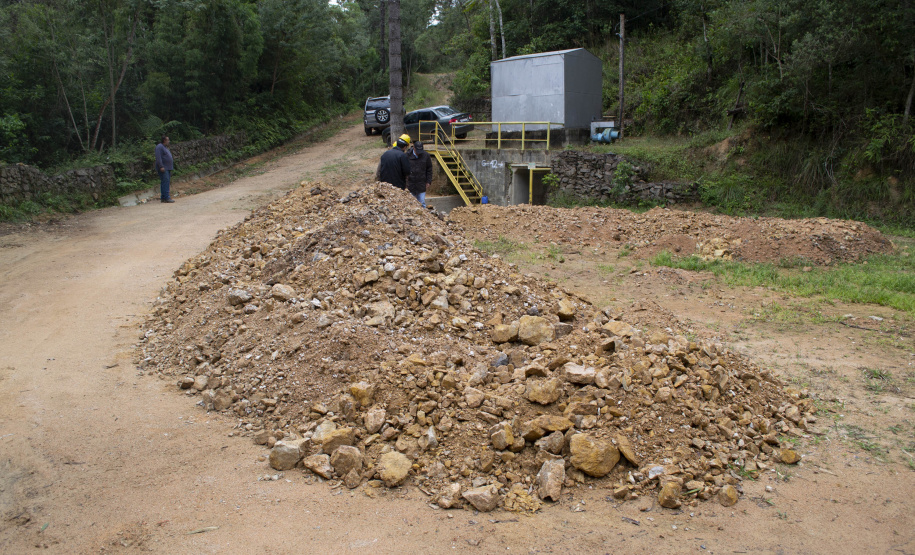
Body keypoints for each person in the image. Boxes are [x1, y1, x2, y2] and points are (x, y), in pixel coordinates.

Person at [406, 141, 432, 208]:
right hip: (410, 184)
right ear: (414, 148)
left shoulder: (426, 156)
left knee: (422, 202)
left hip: (421, 183)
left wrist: (428, 181)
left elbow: (429, 169)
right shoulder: (407, 155)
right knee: (411, 203)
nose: (418, 153)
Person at [155, 135, 175, 203]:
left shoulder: (165, 147)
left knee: (165, 182)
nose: (168, 141)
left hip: (167, 167)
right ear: (164, 140)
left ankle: (163, 197)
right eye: (168, 140)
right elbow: (158, 157)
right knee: (165, 182)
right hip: (164, 168)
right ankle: (166, 197)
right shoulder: (159, 147)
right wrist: (161, 166)